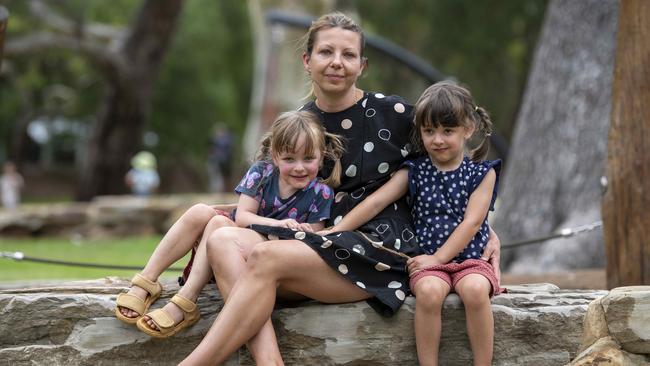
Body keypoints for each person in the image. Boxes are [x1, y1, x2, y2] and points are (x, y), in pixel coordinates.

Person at [180, 12, 501, 365]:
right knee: (223, 240)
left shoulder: (395, 113)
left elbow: (453, 165)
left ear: (362, 65)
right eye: (326, 52)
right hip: (317, 239)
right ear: (307, 60)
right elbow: (270, 194)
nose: (337, 63)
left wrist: (486, 230)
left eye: (348, 55)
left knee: (263, 257)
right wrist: (226, 211)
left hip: (379, 250)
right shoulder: (298, 125)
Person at [115, 110, 344, 339]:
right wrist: (280, 224)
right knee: (199, 212)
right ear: (275, 156)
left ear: (321, 156)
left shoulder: (321, 193)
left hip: (247, 262)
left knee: (217, 223)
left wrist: (301, 230)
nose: (299, 167)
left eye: (308, 158)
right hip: (224, 246)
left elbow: (314, 234)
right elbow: (244, 217)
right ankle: (146, 280)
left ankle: (186, 300)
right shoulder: (262, 174)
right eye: (289, 159)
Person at [323, 81, 501, 365]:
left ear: (468, 129)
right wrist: (336, 230)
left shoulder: (482, 174)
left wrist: (437, 259)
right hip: (426, 261)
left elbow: (472, 223)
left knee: (476, 290)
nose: (438, 139)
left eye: (447, 131)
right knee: (429, 293)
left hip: (470, 259)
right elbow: (376, 202)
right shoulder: (415, 171)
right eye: (429, 131)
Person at [206, 123, 235, 193]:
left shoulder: (221, 140)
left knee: (221, 177)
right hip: (219, 161)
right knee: (218, 177)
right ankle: (219, 191)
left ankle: (221, 191)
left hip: (222, 162)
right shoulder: (226, 139)